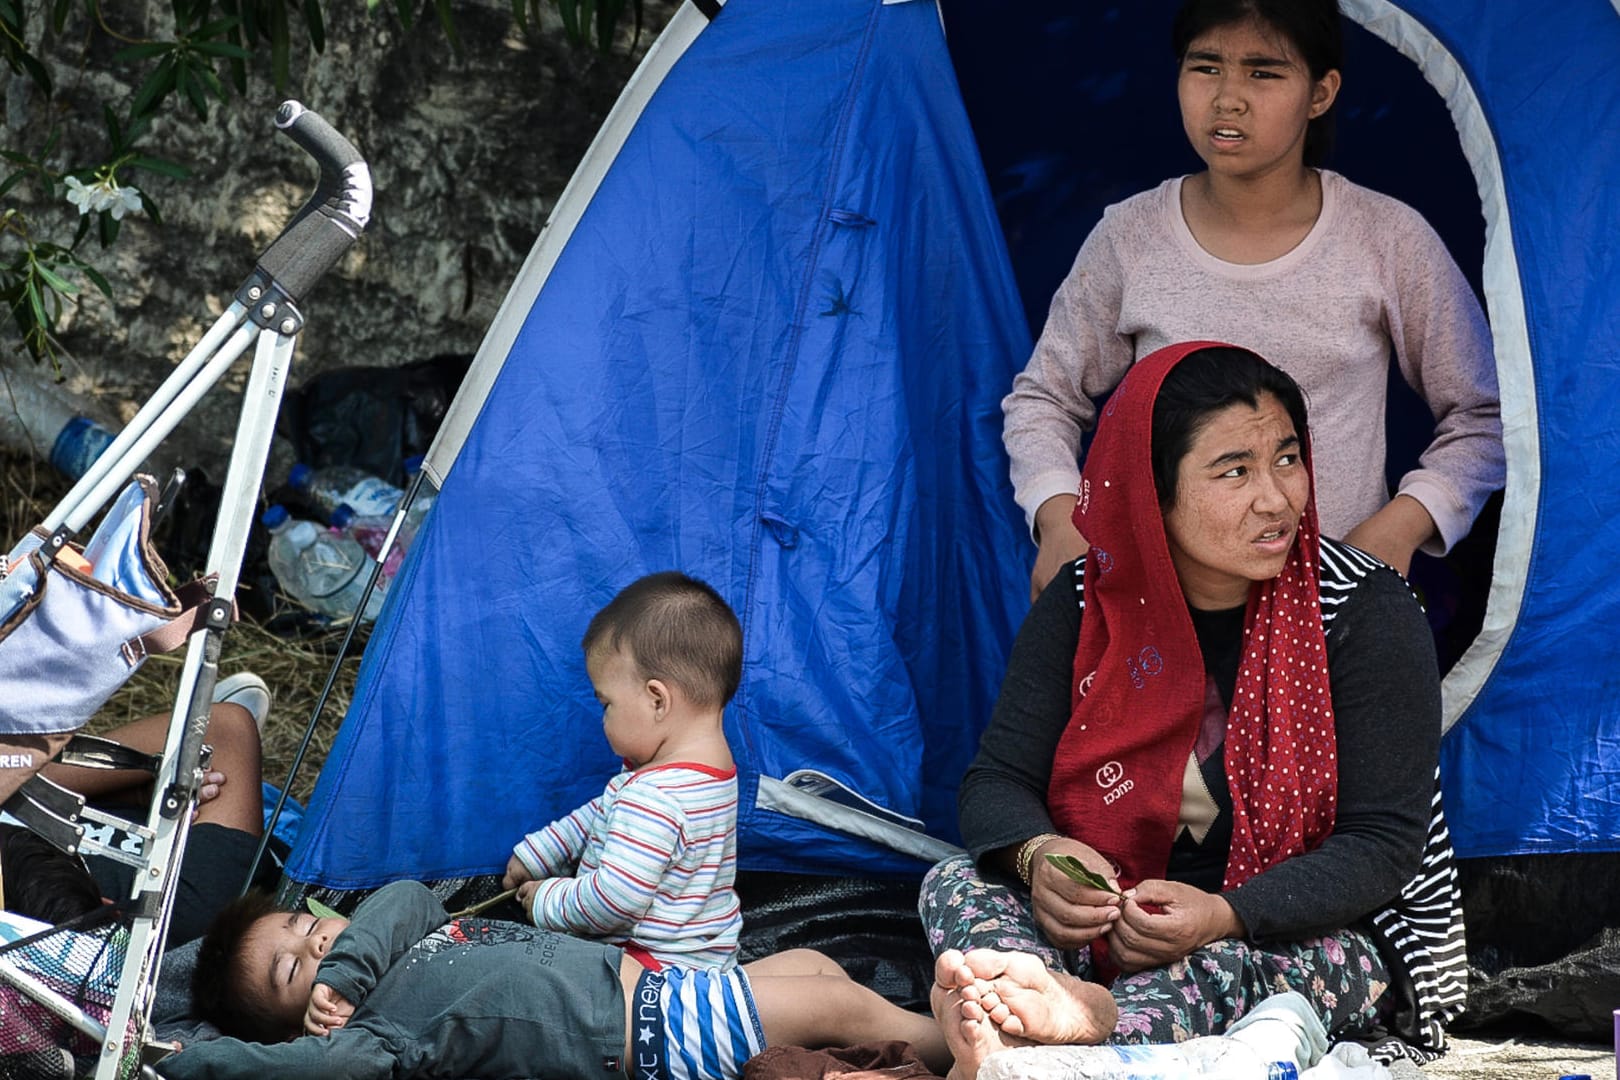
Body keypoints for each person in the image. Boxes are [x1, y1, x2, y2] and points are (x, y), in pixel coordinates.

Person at [922, 342, 1463, 1078]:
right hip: (1120, 920)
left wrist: (1224, 915)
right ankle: (1025, 1002)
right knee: (957, 879)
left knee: (1304, 962)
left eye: (1287, 458)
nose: (1277, 498)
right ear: (1151, 493)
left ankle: (1079, 1024)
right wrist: (1041, 855)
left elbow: (1383, 844)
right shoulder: (1087, 602)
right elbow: (997, 780)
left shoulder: (1362, 611)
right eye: (1234, 470)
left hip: (1300, 925)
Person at [1005, 0, 1503, 600]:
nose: (1228, 98)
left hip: (1333, 603)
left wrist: (1402, 524)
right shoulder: (1130, 237)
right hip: (1158, 606)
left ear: (1321, 93)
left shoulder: (1388, 238)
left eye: (1263, 72)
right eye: (1206, 66)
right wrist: (1059, 518)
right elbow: (1045, 398)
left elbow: (1484, 415)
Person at [158, 878, 951, 1079]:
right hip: (643, 1038)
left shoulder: (398, 933)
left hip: (652, 990)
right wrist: (180, 1059)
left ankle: (923, 1040)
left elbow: (397, 896)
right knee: (833, 1001)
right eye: (298, 970)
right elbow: (298, 1072)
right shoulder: (370, 1039)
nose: (320, 943)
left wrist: (349, 965)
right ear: (306, 1021)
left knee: (812, 965)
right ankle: (969, 1053)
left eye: (306, 926)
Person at [502, 571, 745, 971]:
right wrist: (543, 850)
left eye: (606, 704)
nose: (603, 719)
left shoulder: (654, 797)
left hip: (649, 973)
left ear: (656, 701)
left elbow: (614, 902)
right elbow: (606, 811)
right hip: (706, 959)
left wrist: (545, 899)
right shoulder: (706, 773)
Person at [16, 672, 279, 944]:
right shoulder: (183, 908)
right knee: (220, 740)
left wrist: (145, 796)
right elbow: (227, 729)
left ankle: (160, 775)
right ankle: (167, 766)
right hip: (187, 893)